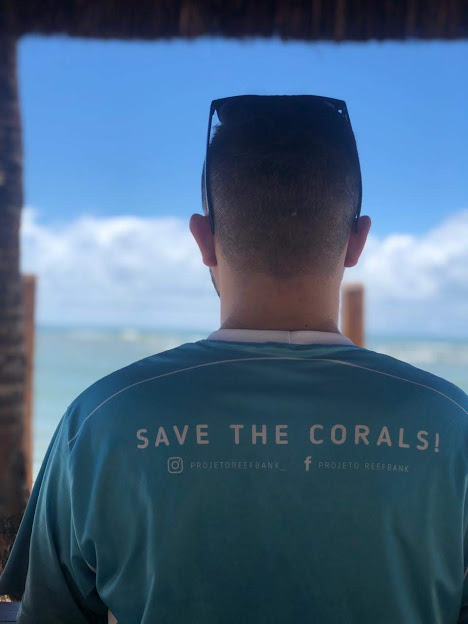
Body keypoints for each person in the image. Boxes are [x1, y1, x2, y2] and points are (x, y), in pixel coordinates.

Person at [0, 94, 467, 624]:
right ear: (357, 241)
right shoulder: (453, 424)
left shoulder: (99, 420)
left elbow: (47, 614)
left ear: (203, 239)